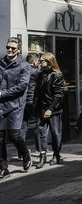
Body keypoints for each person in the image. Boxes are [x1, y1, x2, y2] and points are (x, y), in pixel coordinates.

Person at [0, 38, 32, 178]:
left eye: (13, 48)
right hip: (1, 105)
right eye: (8, 47)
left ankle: (25, 154)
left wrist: (3, 94)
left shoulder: (24, 66)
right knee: (0, 138)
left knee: (14, 135)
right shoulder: (1, 63)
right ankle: (3, 168)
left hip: (15, 106)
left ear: (18, 49)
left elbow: (22, 86)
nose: (10, 50)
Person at [34, 52, 65, 168]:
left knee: (55, 132)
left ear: (49, 62)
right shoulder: (40, 74)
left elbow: (58, 95)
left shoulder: (56, 76)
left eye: (42, 61)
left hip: (53, 109)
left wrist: (51, 109)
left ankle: (56, 154)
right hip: (41, 108)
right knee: (41, 131)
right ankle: (43, 155)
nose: (40, 62)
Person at [21, 53, 41, 157]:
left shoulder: (22, 70)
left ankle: (21, 151)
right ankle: (40, 149)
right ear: (34, 62)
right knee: (39, 124)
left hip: (24, 101)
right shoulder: (37, 71)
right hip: (34, 100)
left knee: (24, 125)